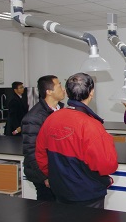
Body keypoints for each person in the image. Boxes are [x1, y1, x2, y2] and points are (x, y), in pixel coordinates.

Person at [35, 73, 118, 209]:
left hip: (60, 191)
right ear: (91, 92)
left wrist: (52, 176)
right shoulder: (91, 125)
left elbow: (40, 154)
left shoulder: (51, 119)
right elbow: (107, 165)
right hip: (87, 195)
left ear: (67, 93)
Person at [21, 75, 65, 201]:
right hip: (44, 174)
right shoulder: (34, 118)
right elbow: (31, 150)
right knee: (46, 208)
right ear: (49, 91)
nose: (63, 89)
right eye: (59, 85)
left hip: (57, 171)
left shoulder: (60, 110)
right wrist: (45, 176)